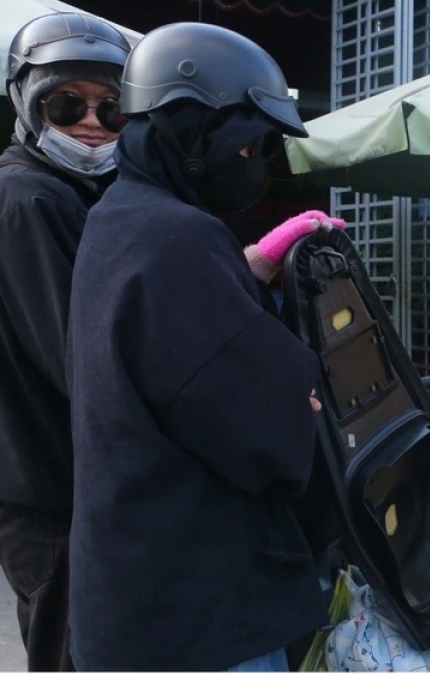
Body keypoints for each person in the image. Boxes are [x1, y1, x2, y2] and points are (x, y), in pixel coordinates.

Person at [65, 22, 343, 671]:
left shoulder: (119, 218)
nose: (258, 164)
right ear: (193, 130)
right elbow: (272, 429)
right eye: (252, 145)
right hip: (196, 621)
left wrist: (245, 273)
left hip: (136, 600)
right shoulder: (175, 237)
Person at [0, 12, 131, 671]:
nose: (91, 122)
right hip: (50, 495)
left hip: (68, 486)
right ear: (29, 103)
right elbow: (76, 354)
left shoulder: (79, 193)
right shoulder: (28, 198)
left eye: (112, 108)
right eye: (67, 103)